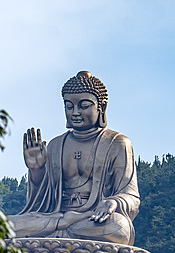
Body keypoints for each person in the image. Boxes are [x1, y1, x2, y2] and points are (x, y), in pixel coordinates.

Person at [8, 71, 139, 244]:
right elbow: (40, 202)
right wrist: (36, 170)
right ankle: (63, 232)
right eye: (69, 107)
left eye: (84, 106)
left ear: (102, 107)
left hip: (92, 219)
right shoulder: (55, 145)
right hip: (56, 217)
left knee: (119, 227)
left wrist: (113, 202)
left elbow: (131, 196)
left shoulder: (117, 143)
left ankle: (53, 238)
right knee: (3, 226)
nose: (75, 112)